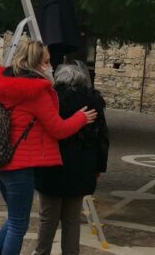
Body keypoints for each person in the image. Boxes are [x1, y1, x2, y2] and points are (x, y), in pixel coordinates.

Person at [0, 40, 97, 255]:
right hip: (18, 166)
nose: (50, 66)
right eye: (46, 61)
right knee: (18, 224)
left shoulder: (2, 84)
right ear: (35, 64)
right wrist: (81, 118)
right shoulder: (37, 92)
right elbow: (58, 128)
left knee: (13, 216)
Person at [34, 61, 109, 255]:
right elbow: (102, 138)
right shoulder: (94, 103)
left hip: (52, 165)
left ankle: (42, 252)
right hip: (82, 167)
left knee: (48, 217)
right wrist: (98, 167)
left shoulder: (52, 100)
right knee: (72, 219)